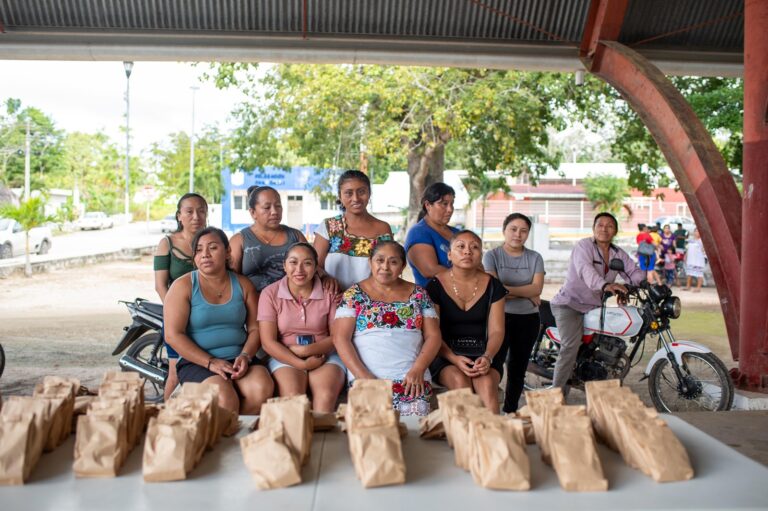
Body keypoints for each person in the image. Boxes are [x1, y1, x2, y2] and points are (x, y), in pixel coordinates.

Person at [164, 227, 274, 414]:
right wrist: (211, 362)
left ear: (227, 251)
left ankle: (236, 435)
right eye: (198, 250)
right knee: (224, 399)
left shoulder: (243, 284)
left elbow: (256, 329)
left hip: (238, 358)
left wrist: (246, 356)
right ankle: (224, 438)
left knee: (261, 388)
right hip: (197, 362)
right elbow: (173, 335)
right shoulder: (183, 286)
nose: (205, 254)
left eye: (213, 248)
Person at [332, 241, 442, 416]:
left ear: (402, 266)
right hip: (366, 377)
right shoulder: (354, 294)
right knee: (371, 432)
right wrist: (363, 377)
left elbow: (433, 336)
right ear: (370, 262)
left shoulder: (419, 294)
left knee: (414, 432)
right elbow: (340, 338)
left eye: (393, 262)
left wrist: (418, 369)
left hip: (411, 378)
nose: (385, 267)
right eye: (379, 260)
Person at [549, 213, 646, 392]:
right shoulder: (583, 246)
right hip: (569, 304)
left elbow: (633, 271)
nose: (604, 229)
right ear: (593, 228)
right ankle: (557, 395)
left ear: (615, 231)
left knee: (603, 342)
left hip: (594, 306)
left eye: (609, 226)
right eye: (600, 225)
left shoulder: (617, 253)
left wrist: (639, 284)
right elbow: (586, 272)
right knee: (570, 346)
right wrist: (606, 285)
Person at [258, 243, 346, 413]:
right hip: (285, 355)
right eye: (293, 262)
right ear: (284, 266)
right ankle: (298, 440)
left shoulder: (329, 292)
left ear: (315, 267)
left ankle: (322, 440)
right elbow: (268, 342)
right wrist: (300, 362)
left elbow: (337, 336)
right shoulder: (270, 294)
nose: (299, 269)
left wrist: (306, 351)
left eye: (307, 263)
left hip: (325, 354)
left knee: (326, 396)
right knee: (292, 397)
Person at [426, 230, 507, 414]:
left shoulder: (494, 286)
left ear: (481, 255)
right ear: (449, 254)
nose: (467, 251)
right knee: (459, 381)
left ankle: (493, 435)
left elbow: (497, 331)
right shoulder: (434, 286)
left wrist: (487, 357)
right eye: (460, 246)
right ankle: (465, 438)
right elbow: (432, 333)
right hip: (445, 353)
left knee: (486, 383)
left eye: (474, 247)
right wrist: (454, 358)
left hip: (485, 353)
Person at [483, 213, 545, 413]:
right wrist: (525, 292)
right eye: (513, 229)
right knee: (495, 364)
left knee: (518, 368)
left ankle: (511, 411)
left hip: (528, 319)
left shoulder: (535, 257)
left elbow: (537, 289)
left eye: (523, 230)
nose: (518, 234)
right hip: (498, 318)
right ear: (504, 230)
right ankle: (490, 409)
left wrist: (507, 290)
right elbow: (494, 289)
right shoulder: (491, 256)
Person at [153, 192, 208, 401]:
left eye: (201, 211)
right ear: (179, 216)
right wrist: (176, 313)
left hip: (207, 316)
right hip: (177, 316)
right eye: (190, 211)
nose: (196, 216)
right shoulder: (167, 243)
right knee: (175, 373)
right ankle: (166, 419)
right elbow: (160, 286)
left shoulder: (212, 241)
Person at [313, 170, 393, 291]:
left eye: (361, 192)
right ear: (340, 196)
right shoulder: (329, 226)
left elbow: (389, 268)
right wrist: (325, 277)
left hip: (369, 301)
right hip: (332, 301)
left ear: (369, 193)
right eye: (348, 193)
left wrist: (356, 296)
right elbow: (314, 265)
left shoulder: (382, 228)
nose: (355, 198)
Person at [230, 186, 316, 292]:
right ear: (253, 212)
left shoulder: (296, 236)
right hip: (252, 304)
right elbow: (230, 281)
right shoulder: (239, 240)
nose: (274, 211)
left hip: (292, 303)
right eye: (267, 207)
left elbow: (313, 268)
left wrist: (326, 278)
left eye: (278, 206)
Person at [404, 182, 460, 286]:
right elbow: (430, 270)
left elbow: (478, 264)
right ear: (428, 205)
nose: (450, 209)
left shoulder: (457, 233)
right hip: (432, 299)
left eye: (452, 204)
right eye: (444, 204)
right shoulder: (418, 233)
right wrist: (467, 274)